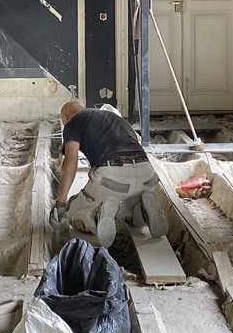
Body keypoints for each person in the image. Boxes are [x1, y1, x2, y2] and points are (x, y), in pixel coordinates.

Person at [50, 100, 167, 248]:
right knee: (127, 214)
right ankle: (142, 211)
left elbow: (70, 161)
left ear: (65, 118)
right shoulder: (115, 118)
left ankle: (97, 215)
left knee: (75, 212)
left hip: (113, 176)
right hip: (146, 173)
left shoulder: (73, 121)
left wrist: (61, 202)